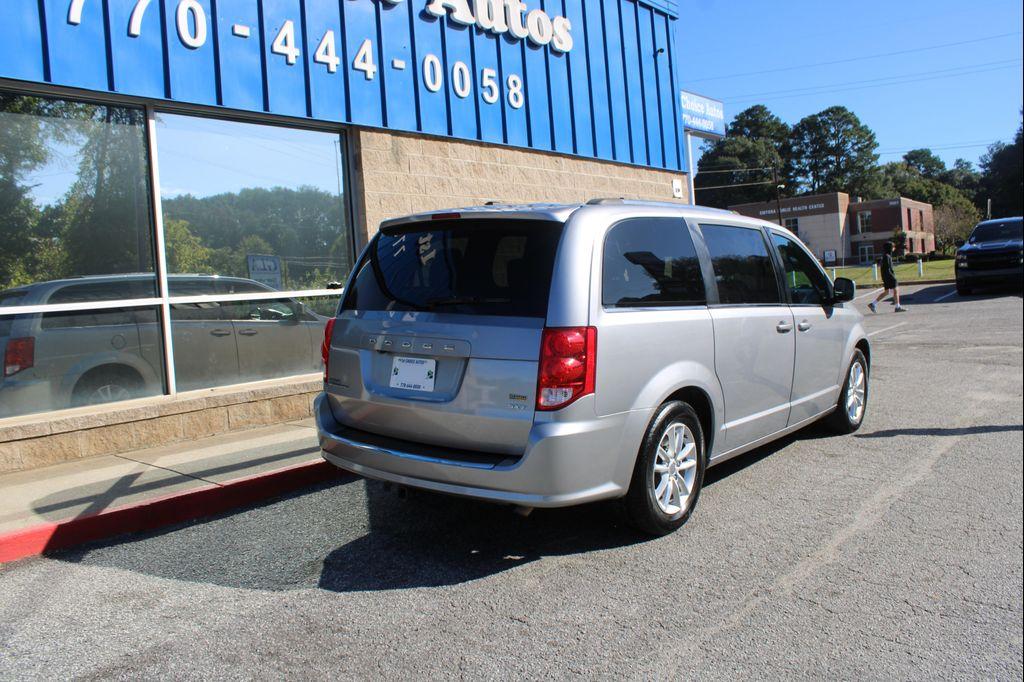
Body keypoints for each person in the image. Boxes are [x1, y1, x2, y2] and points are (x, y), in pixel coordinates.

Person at [868, 242, 907, 313]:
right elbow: (887, 268)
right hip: (889, 277)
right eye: (893, 247)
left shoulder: (885, 256)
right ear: (889, 248)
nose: (894, 248)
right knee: (896, 290)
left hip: (886, 277)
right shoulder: (887, 256)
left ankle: (873, 304)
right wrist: (892, 277)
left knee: (887, 292)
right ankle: (897, 307)